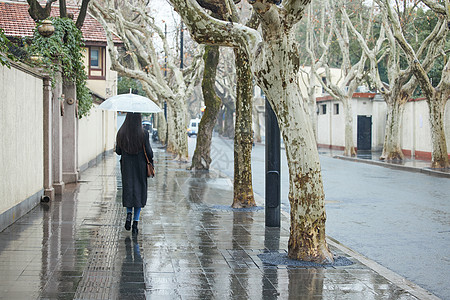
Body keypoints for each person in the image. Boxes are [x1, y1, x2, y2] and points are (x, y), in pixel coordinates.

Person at [115, 112, 153, 234]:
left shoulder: (121, 132)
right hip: (140, 167)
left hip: (126, 166)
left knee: (128, 189)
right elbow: (149, 152)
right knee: (139, 191)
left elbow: (118, 151)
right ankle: (135, 223)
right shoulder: (144, 133)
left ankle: (128, 215)